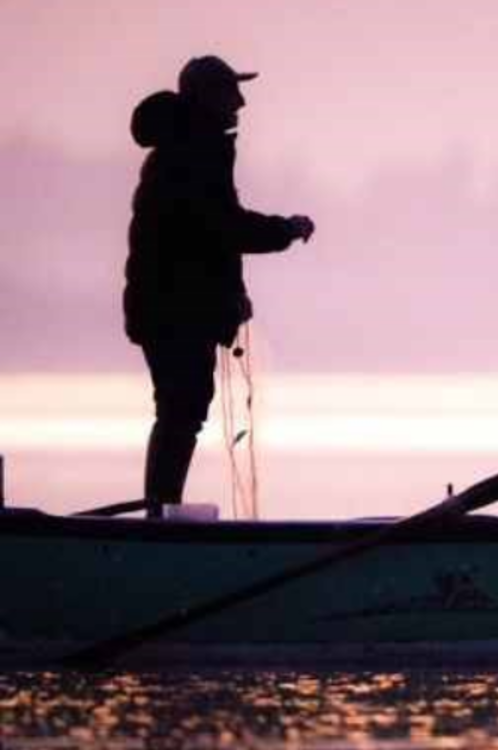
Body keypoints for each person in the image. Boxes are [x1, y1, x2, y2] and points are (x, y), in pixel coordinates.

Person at [124, 56, 315, 518]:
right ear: (208, 98)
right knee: (181, 409)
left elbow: (208, 240)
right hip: (173, 310)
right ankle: (159, 518)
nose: (241, 102)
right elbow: (223, 228)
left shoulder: (193, 148)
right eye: (231, 92)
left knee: (183, 408)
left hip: (175, 307)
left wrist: (232, 296)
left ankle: (160, 513)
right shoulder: (192, 153)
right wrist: (285, 229)